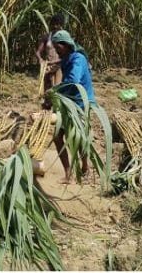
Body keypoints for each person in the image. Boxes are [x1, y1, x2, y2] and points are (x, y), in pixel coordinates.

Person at [50, 29, 96, 184]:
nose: (57, 52)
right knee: (57, 137)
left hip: (80, 103)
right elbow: (62, 67)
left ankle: (85, 168)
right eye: (55, 49)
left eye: (58, 48)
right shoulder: (68, 58)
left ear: (66, 45)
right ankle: (68, 173)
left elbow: (72, 81)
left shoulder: (78, 59)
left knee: (77, 137)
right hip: (68, 102)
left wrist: (54, 92)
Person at [35, 14, 65, 110]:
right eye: (53, 24)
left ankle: (57, 112)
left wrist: (59, 62)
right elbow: (38, 52)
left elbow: (68, 53)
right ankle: (46, 112)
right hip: (47, 67)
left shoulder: (64, 37)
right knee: (47, 92)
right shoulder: (47, 37)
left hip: (59, 66)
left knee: (57, 90)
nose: (55, 26)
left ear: (61, 25)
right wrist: (41, 60)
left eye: (58, 24)